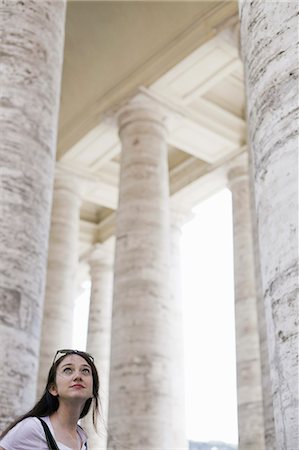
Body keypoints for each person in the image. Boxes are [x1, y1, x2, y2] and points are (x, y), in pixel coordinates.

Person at [0, 349, 100, 450]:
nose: (78, 376)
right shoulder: (33, 428)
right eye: (68, 370)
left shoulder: (82, 437)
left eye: (85, 371)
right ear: (53, 388)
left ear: (93, 391)